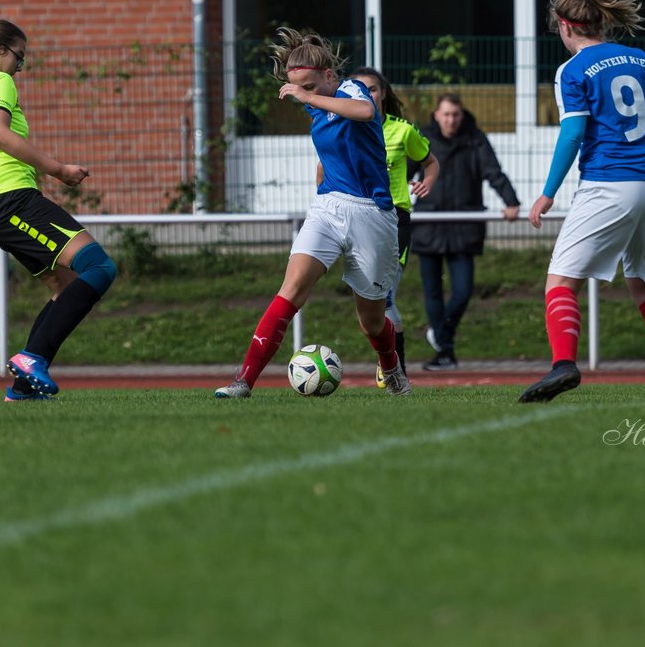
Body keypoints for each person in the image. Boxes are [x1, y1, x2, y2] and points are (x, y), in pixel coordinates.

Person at [520, 0, 645, 403]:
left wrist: (547, 193)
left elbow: (572, 135)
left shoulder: (572, 70)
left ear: (565, 26)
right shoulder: (637, 58)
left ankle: (564, 364)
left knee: (561, 282)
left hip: (609, 184)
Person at [0, 19, 118, 402]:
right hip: (10, 199)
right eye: (20, 58)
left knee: (64, 287)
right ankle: (33, 358)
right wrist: (59, 169)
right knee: (99, 267)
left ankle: (22, 386)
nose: (20, 68)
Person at [214, 28, 411, 398]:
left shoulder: (351, 88)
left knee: (370, 322)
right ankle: (243, 381)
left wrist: (308, 96)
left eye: (310, 85)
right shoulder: (315, 105)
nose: (305, 94)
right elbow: (334, 146)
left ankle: (392, 369)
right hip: (328, 206)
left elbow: (365, 111)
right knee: (290, 291)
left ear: (329, 76)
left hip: (372, 214)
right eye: (299, 87)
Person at [336, 67, 439, 386]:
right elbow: (324, 167)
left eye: (373, 89)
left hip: (394, 216)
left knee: (387, 295)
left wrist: (427, 183)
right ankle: (389, 363)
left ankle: (396, 370)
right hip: (356, 214)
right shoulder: (344, 128)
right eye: (360, 88)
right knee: (368, 304)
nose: (368, 94)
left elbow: (430, 162)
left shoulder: (402, 130)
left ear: (383, 94)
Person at [410, 94, 520, 371]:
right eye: (446, 114)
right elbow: (403, 171)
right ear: (436, 115)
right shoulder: (422, 138)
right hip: (429, 225)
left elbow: (493, 172)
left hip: (463, 226)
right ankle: (445, 353)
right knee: (432, 292)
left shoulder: (474, 138)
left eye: (455, 114)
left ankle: (441, 336)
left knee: (462, 290)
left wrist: (511, 201)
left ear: (461, 114)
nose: (451, 120)